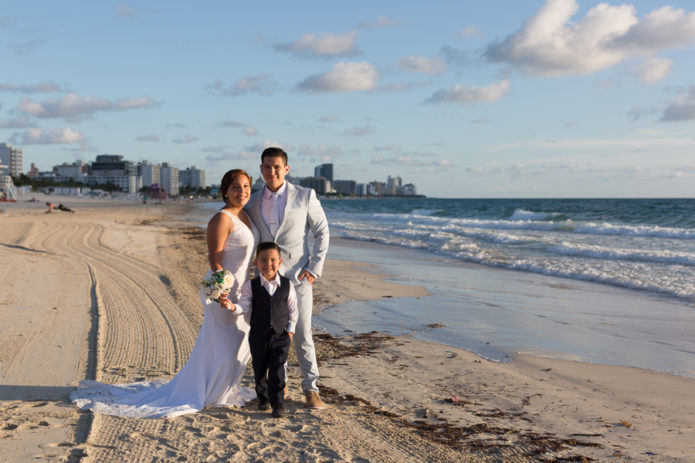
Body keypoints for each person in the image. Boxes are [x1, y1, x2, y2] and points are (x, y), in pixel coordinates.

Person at [70, 169, 259, 418]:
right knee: (221, 344)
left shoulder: (245, 215)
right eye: (235, 187)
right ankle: (208, 392)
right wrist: (221, 289)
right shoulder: (222, 218)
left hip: (242, 291)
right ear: (225, 191)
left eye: (245, 186)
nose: (241, 191)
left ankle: (222, 389)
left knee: (238, 342)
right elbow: (214, 256)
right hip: (222, 290)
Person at [245, 147, 329, 409]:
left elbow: (322, 231)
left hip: (297, 278)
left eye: (277, 166)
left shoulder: (305, 196)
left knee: (302, 333)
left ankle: (311, 389)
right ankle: (272, 388)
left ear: (286, 169)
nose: (272, 171)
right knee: (265, 336)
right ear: (261, 170)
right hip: (266, 280)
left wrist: (314, 269)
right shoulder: (252, 201)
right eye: (267, 167)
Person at [230, 241, 298, 418]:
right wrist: (232, 307)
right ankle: (263, 398)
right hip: (258, 335)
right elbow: (244, 306)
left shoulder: (287, 285)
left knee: (277, 369)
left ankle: (277, 403)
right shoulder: (250, 286)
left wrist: (289, 332)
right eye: (264, 260)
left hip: (281, 336)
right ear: (256, 263)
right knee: (259, 368)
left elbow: (293, 311)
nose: (269, 264)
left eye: (273, 260)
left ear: (280, 262)